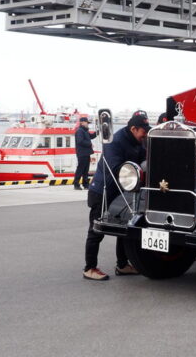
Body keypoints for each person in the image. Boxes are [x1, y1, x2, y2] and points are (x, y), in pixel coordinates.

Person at [82, 114, 151, 280]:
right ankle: (89, 268)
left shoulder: (137, 142)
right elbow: (116, 168)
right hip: (103, 191)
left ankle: (122, 265)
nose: (145, 135)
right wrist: (138, 170)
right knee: (96, 230)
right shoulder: (114, 142)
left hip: (122, 192)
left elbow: (144, 158)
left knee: (124, 227)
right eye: (143, 131)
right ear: (133, 129)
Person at [74, 116, 97, 190]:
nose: (88, 124)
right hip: (82, 153)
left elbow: (91, 136)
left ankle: (85, 184)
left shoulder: (85, 131)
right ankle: (76, 184)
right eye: (87, 122)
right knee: (80, 169)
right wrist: (90, 144)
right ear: (82, 123)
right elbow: (80, 141)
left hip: (86, 153)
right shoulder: (80, 131)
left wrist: (98, 132)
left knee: (86, 169)